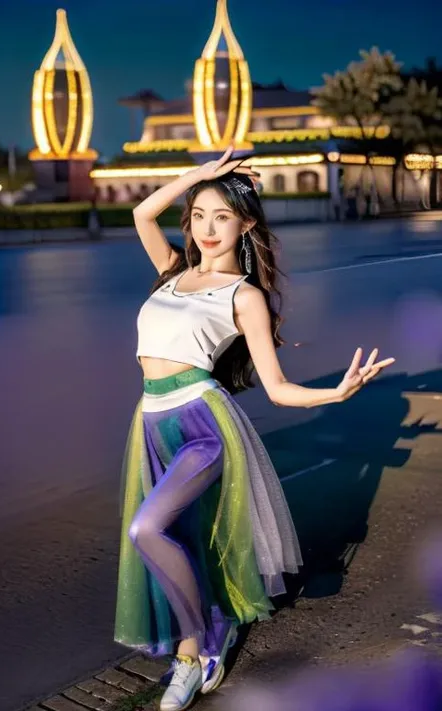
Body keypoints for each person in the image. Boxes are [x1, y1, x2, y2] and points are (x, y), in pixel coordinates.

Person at [114, 143, 396, 711]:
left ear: (245, 224)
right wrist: (199, 176)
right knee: (181, 537)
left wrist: (336, 392)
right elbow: (143, 213)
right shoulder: (172, 272)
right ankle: (200, 640)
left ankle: (193, 657)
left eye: (222, 216)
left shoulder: (244, 296)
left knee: (146, 531)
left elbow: (278, 387)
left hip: (202, 424)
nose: (207, 227)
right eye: (198, 215)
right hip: (150, 420)